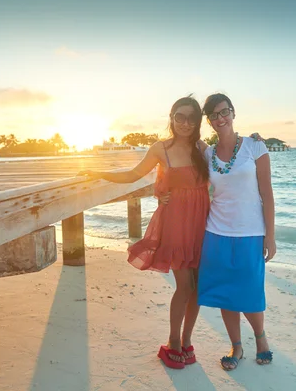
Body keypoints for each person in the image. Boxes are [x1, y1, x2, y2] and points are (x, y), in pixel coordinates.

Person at [78, 96, 210, 369]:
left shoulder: (202, 147)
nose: (185, 123)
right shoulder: (160, 148)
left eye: (191, 118)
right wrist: (98, 173)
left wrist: (253, 142)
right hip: (175, 223)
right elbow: (132, 175)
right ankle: (173, 342)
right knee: (185, 285)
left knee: (199, 287)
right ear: (171, 118)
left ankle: (187, 341)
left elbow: (228, 169)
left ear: (198, 121)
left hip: (202, 224)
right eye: (180, 117)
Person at [197, 93, 276, 371]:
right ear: (208, 121)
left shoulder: (255, 147)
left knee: (251, 290)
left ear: (233, 112)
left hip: (250, 232)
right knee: (225, 292)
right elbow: (181, 139)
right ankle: (236, 346)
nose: (221, 118)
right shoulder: (207, 153)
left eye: (224, 112)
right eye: (214, 115)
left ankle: (261, 339)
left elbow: (266, 193)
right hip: (216, 232)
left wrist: (270, 234)